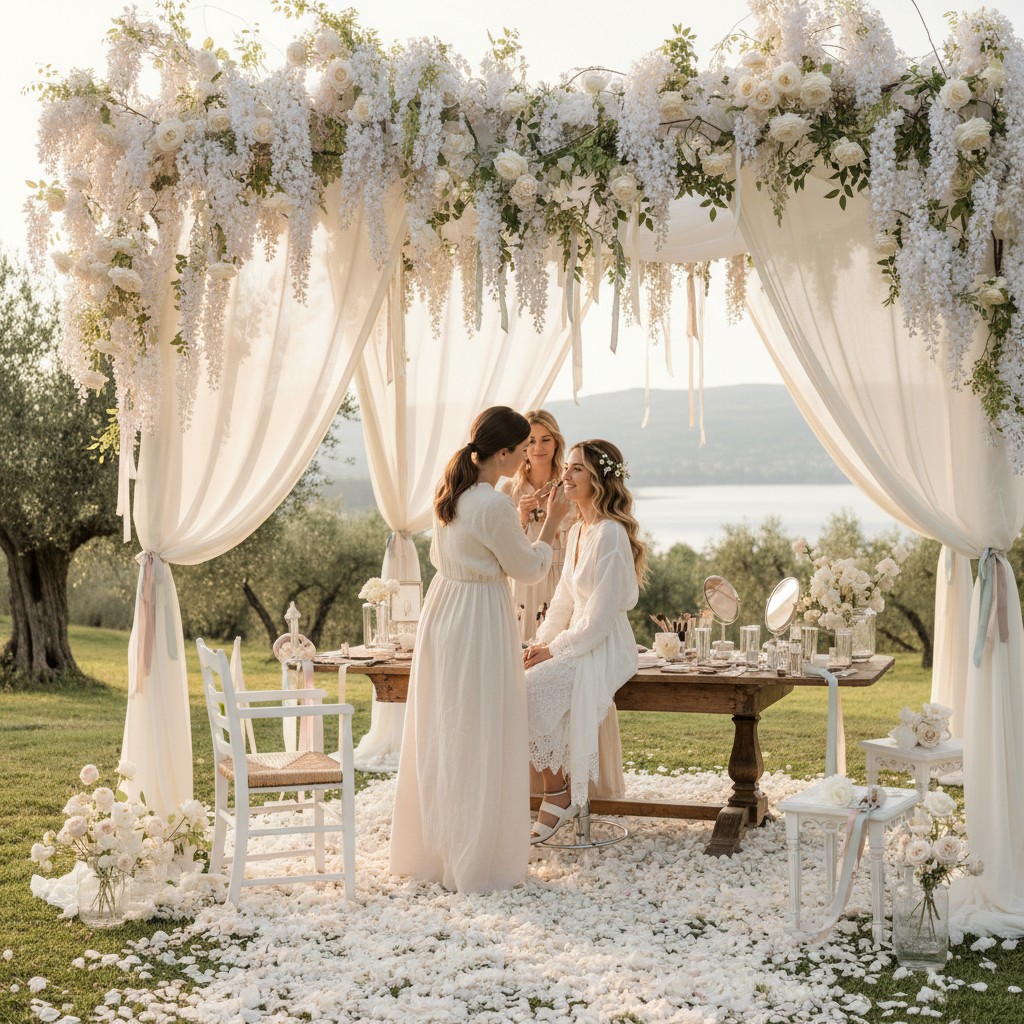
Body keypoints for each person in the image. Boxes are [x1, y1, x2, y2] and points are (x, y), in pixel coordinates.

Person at [389, 406, 564, 892]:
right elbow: (528, 568)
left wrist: (517, 517)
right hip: (478, 618)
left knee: (446, 727)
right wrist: (548, 525)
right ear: (504, 452)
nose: (531, 453)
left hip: (444, 610)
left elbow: (470, 547)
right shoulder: (492, 504)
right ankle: (476, 857)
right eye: (524, 445)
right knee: (481, 730)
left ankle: (435, 849)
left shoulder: (454, 492)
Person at [523, 439, 648, 843]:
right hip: (576, 637)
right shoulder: (577, 530)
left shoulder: (611, 534)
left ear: (598, 478)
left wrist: (554, 650)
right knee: (521, 678)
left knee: (527, 690)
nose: (566, 475)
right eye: (569, 467)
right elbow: (562, 601)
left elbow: (597, 620)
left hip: (604, 644)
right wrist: (538, 645)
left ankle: (557, 793)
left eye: (577, 469)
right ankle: (559, 791)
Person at [498, 410, 572, 642]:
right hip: (524, 581)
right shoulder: (510, 489)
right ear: (522, 446)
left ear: (556, 442)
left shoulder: (569, 484)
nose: (538, 448)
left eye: (545, 439)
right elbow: (505, 546)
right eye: (531, 441)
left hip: (562, 577)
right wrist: (521, 515)